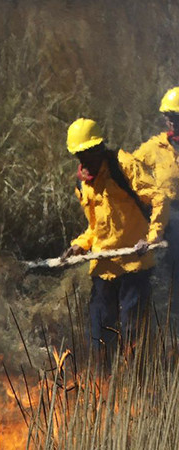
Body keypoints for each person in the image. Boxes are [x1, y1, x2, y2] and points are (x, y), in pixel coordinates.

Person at [61, 118, 169, 362]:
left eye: (87, 154)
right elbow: (94, 228)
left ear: (99, 149)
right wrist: (80, 245)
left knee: (133, 333)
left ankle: (137, 386)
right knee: (99, 334)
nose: (83, 161)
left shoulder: (124, 167)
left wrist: (151, 239)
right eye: (78, 155)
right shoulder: (82, 183)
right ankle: (104, 385)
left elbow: (159, 198)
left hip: (135, 265)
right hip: (104, 267)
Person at [133, 87, 179, 303]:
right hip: (167, 212)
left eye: (175, 116)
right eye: (168, 116)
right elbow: (129, 168)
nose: (171, 121)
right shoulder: (156, 147)